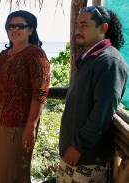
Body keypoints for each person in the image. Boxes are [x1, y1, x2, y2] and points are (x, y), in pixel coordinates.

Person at [57, 6, 128, 182]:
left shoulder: (109, 61)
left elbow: (102, 111)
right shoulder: (90, 57)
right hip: (73, 153)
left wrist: (79, 147)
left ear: (103, 28)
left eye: (84, 25)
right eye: (76, 25)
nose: (78, 30)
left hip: (86, 158)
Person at [0, 10, 50, 183]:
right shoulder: (5, 55)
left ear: (31, 29)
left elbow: (40, 92)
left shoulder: (35, 54)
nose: (14, 30)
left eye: (20, 26)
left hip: (20, 126)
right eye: (10, 26)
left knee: (14, 173)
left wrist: (31, 127)